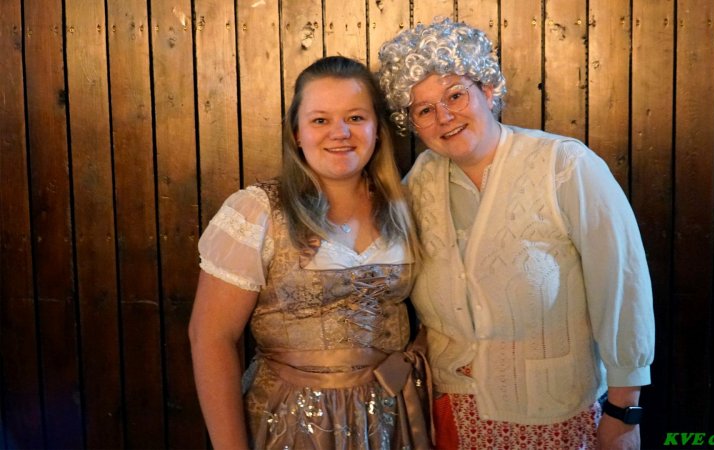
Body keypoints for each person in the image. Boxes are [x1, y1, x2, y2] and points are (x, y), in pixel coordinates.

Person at [377, 19, 655, 450]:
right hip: (449, 416)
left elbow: (623, 288)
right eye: (424, 109)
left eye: (455, 95)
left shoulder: (565, 166)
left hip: (556, 417)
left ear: (487, 90)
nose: (444, 117)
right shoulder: (419, 183)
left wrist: (624, 413)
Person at [188, 56, 431, 449]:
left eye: (356, 118)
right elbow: (210, 338)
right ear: (297, 134)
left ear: (377, 131)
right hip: (290, 423)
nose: (340, 133)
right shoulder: (258, 210)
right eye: (320, 120)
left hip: (391, 420)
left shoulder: (404, 205)